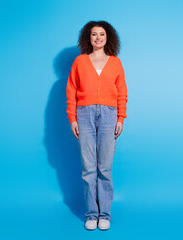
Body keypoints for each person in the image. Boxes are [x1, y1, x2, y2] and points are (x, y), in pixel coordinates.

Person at [66, 20, 128, 231]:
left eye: (102, 34)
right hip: (84, 114)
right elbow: (71, 91)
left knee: (105, 168)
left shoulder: (116, 62)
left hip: (109, 116)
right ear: (88, 38)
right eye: (94, 34)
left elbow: (122, 93)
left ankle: (105, 215)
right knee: (88, 168)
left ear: (108, 37)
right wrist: (72, 118)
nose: (98, 38)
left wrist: (121, 118)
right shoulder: (80, 61)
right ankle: (91, 214)